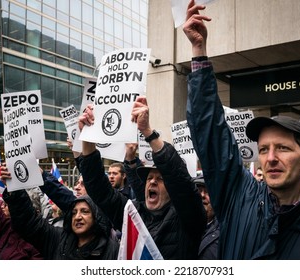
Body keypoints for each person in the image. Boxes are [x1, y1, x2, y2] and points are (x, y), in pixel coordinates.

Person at [183, 0, 300, 259]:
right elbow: (209, 131)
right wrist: (198, 50)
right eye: (263, 149)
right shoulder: (238, 195)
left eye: (283, 148)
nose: (270, 158)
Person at [78, 96, 206, 259]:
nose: (152, 181)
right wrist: (88, 137)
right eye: (149, 178)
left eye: (160, 179)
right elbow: (99, 190)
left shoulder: (187, 217)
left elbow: (180, 182)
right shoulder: (132, 213)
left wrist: (148, 132)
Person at [3, 187, 119, 259]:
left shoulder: (112, 250)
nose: (77, 217)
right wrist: (15, 192)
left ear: (96, 217)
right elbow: (29, 223)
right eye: (74, 213)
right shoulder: (57, 238)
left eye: (84, 212)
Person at [193, 175, 219, 260]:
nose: (202, 195)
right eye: (198, 190)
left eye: (208, 191)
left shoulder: (225, 232)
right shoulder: (181, 225)